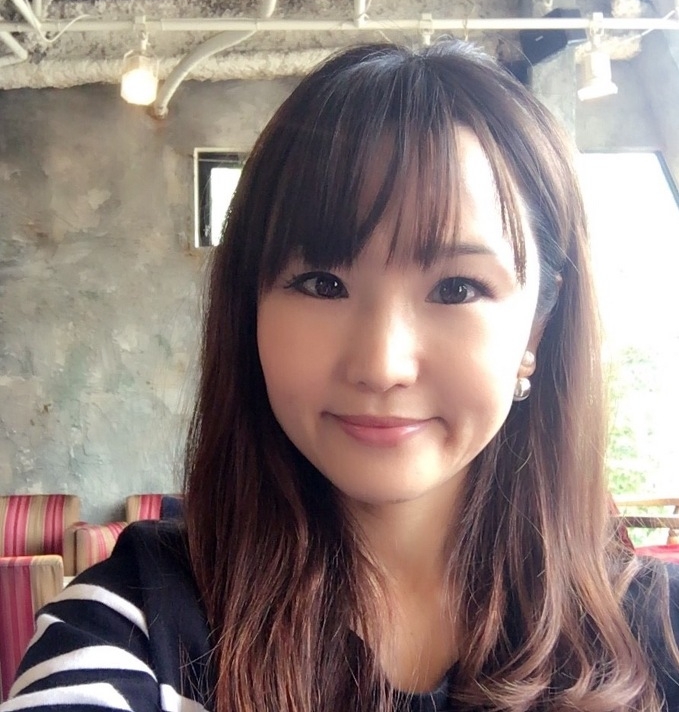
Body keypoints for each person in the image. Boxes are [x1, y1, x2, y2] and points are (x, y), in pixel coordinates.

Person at [3, 40, 678, 712]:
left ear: (535, 328)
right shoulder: (131, 625)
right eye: (322, 283)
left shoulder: (659, 633)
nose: (380, 365)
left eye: (457, 288)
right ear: (250, 309)